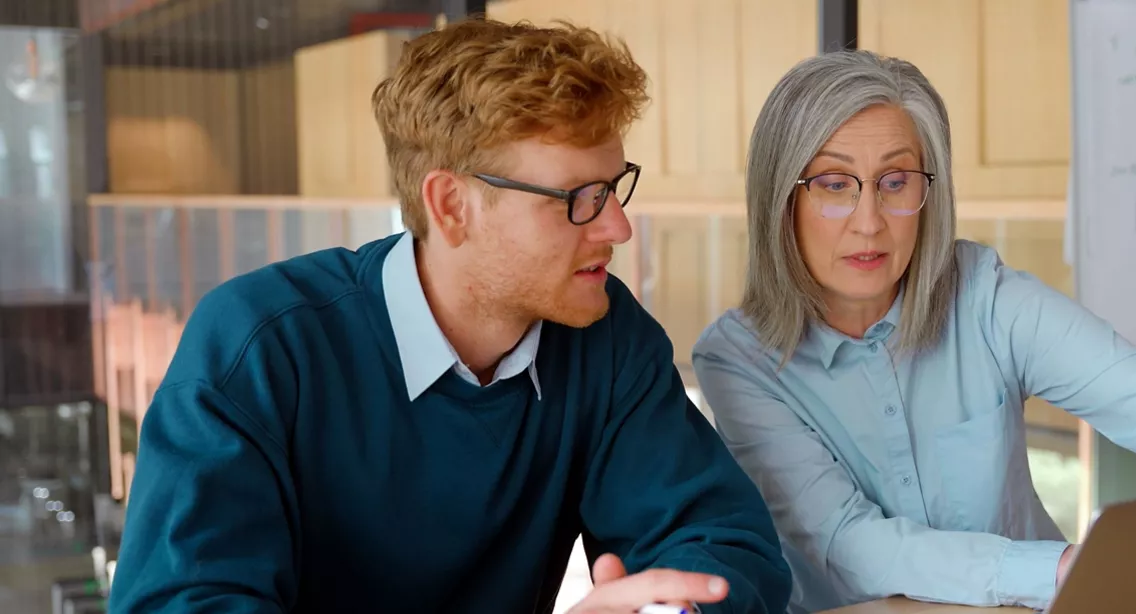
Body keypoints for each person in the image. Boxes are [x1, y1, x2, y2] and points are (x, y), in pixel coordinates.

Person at [109, 19, 791, 614]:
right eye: (578, 198)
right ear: (451, 205)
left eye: (612, 188)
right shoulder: (258, 348)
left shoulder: (605, 338)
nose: (617, 226)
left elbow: (724, 543)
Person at [690, 50, 1136, 614]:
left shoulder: (981, 294)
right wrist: (1065, 569)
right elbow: (850, 544)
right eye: (836, 184)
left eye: (896, 181)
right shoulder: (738, 361)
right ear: (782, 198)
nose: (870, 221)